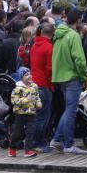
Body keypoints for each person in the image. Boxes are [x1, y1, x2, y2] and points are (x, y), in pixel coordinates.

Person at [49, 9, 87, 154]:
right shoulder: (74, 36)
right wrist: (83, 75)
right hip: (72, 77)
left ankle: (57, 140)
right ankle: (69, 144)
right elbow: (79, 59)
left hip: (60, 77)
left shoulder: (58, 35)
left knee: (68, 110)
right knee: (71, 111)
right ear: (78, 20)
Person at [29, 22, 55, 152]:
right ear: (52, 33)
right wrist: (52, 81)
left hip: (33, 82)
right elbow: (49, 68)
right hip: (44, 84)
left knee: (36, 115)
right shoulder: (49, 47)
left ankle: (32, 142)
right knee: (43, 116)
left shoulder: (34, 45)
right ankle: (39, 143)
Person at [9, 68, 41, 158]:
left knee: (30, 132)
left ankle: (28, 150)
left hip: (31, 113)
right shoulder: (17, 88)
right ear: (21, 77)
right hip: (20, 113)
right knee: (18, 133)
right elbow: (14, 101)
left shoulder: (34, 86)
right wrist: (26, 100)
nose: (29, 76)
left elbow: (37, 96)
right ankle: (12, 147)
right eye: (26, 75)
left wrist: (38, 102)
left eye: (30, 74)